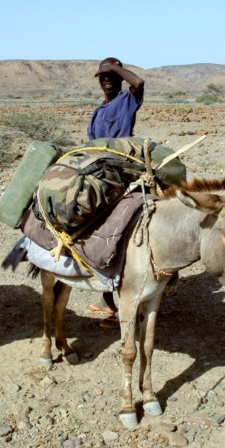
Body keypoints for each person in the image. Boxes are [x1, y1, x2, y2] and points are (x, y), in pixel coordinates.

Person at [85, 57, 145, 327]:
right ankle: (106, 297)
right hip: (100, 171)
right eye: (102, 75)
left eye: (111, 75)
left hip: (121, 170)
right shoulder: (98, 110)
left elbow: (139, 82)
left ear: (120, 77)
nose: (107, 78)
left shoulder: (127, 100)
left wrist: (114, 67)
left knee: (121, 232)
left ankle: (127, 308)